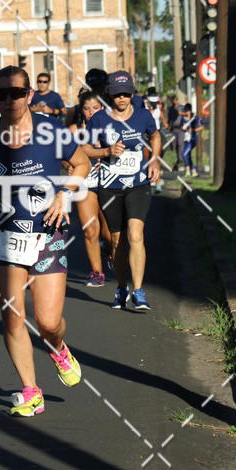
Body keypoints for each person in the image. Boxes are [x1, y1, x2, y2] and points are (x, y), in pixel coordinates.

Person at [0, 65, 90, 417]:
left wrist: (64, 195)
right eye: (1, 94)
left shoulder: (51, 131)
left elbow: (81, 166)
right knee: (13, 318)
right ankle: (31, 391)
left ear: (30, 95)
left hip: (48, 232)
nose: (9, 99)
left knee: (48, 322)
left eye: (17, 92)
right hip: (6, 235)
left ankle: (58, 347)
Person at [85, 70, 161, 312]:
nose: (122, 98)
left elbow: (155, 134)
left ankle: (138, 290)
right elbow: (85, 149)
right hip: (110, 186)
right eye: (118, 93)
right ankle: (121, 286)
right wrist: (106, 152)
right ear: (110, 93)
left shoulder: (143, 116)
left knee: (136, 233)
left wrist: (156, 159)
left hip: (138, 183)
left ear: (132, 93)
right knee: (117, 239)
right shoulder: (99, 120)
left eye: (126, 93)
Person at [67, 90, 111, 286]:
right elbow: (61, 154)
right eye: (86, 108)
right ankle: (97, 272)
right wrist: (68, 166)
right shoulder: (74, 131)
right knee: (90, 229)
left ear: (102, 108)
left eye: (95, 108)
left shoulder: (111, 126)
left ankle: (111, 251)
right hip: (85, 183)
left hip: (110, 182)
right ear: (81, 110)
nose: (91, 112)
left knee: (110, 233)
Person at [181, 104, 203, 177]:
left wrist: (193, 130)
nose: (186, 113)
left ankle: (187, 170)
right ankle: (193, 171)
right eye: (185, 111)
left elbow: (201, 127)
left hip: (192, 140)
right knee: (188, 155)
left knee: (184, 154)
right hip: (186, 139)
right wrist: (183, 128)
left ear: (190, 111)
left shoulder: (195, 118)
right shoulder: (183, 118)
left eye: (187, 111)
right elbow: (181, 127)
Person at [167, 96, 185, 172]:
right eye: (174, 100)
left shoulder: (182, 107)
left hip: (180, 129)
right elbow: (169, 117)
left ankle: (181, 159)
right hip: (173, 129)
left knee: (180, 144)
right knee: (174, 145)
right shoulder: (171, 108)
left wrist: (180, 113)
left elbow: (187, 113)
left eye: (176, 100)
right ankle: (177, 159)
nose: (175, 102)